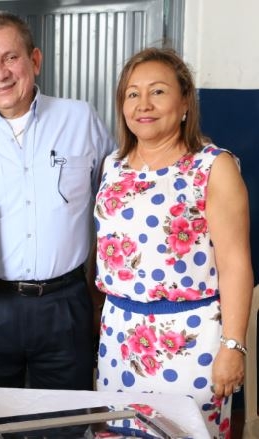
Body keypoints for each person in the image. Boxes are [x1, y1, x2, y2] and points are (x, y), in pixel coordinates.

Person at [0, 11, 115, 389]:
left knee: (67, 415)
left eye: (11, 57)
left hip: (66, 302)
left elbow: (114, 203)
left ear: (35, 60)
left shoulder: (81, 119)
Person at [94, 47, 252, 437]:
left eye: (158, 91)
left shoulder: (213, 166)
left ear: (184, 103)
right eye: (132, 93)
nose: (143, 104)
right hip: (119, 337)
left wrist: (233, 345)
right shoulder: (113, 165)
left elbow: (235, 264)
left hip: (190, 340)